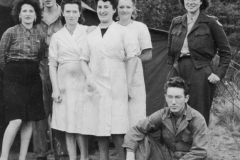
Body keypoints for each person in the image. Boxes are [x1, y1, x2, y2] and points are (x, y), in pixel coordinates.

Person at [79, 0, 138, 159]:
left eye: (106, 7)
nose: (102, 10)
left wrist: (128, 83)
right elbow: (83, 60)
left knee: (119, 130)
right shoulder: (91, 35)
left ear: (114, 10)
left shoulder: (123, 32)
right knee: (100, 129)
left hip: (118, 83)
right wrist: (89, 76)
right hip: (97, 86)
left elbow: (133, 58)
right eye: (100, 7)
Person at [167, 0, 231, 125]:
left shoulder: (211, 22)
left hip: (200, 71)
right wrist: (170, 72)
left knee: (198, 113)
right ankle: (176, 144)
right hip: (177, 70)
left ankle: (198, 144)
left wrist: (218, 74)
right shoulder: (176, 22)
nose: (191, 2)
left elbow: (226, 52)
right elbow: (170, 53)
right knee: (174, 110)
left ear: (201, 2)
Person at [0, 0, 46, 160]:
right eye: (24, 11)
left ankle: (22, 157)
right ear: (19, 15)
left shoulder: (40, 35)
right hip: (13, 78)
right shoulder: (10, 32)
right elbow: (1, 57)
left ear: (36, 16)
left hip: (32, 78)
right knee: (16, 119)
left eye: (31, 11)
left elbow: (39, 56)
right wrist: (12, 73)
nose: (27, 14)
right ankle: (3, 157)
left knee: (29, 120)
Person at [123, 77, 208, 160]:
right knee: (144, 138)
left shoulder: (197, 119)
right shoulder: (162, 114)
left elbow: (200, 152)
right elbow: (137, 129)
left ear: (186, 98)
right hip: (166, 156)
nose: (173, 102)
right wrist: (130, 153)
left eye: (178, 97)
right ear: (165, 97)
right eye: (170, 97)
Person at [48, 0, 91, 160]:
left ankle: (84, 157)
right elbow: (52, 64)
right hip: (64, 83)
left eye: (75, 11)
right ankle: (73, 158)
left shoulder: (87, 31)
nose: (71, 15)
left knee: (81, 123)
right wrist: (55, 88)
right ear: (63, 13)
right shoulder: (57, 36)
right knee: (68, 124)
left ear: (80, 13)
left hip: (83, 81)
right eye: (68, 11)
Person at [34, 0, 63, 159]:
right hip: (40, 66)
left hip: (62, 67)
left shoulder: (66, 14)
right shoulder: (34, 14)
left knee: (61, 109)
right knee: (40, 112)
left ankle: (61, 152)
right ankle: (41, 154)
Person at [117, 0, 152, 127]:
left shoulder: (140, 27)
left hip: (135, 77)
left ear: (133, 9)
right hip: (115, 75)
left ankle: (136, 145)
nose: (124, 10)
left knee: (135, 115)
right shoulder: (111, 27)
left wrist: (131, 60)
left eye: (128, 7)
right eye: (121, 7)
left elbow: (148, 55)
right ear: (116, 8)